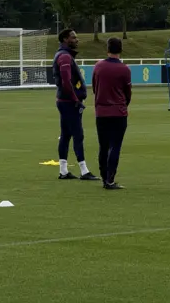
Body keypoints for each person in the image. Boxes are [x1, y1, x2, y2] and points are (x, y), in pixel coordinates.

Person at [52, 28, 99, 181]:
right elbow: (66, 81)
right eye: (74, 37)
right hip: (68, 102)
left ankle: (63, 171)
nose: (77, 40)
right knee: (78, 134)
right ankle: (84, 171)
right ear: (65, 39)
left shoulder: (63, 55)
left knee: (66, 134)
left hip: (64, 101)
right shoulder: (65, 57)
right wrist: (76, 100)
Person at [92, 37, 132, 190]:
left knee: (103, 146)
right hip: (118, 112)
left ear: (107, 48)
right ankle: (110, 179)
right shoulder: (124, 69)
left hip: (101, 112)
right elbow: (127, 93)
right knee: (115, 146)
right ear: (120, 49)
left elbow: (95, 88)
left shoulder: (98, 67)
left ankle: (104, 178)